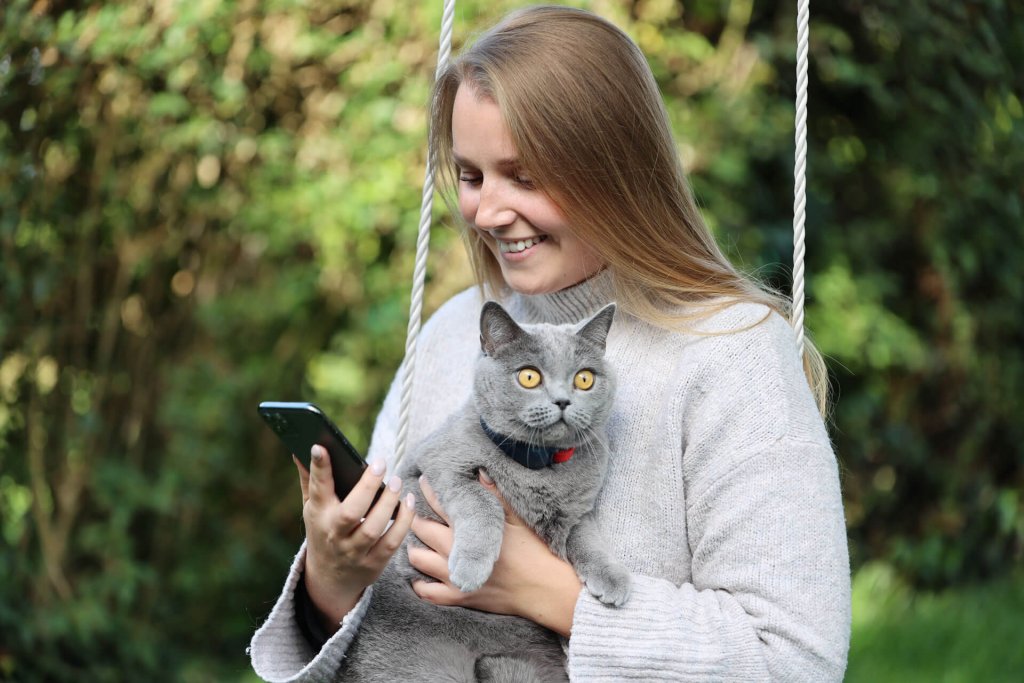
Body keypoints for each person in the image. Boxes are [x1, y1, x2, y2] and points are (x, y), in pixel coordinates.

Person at [249, 5, 851, 681]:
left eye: (524, 176)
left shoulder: (732, 353)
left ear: (614, 169)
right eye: (471, 176)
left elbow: (794, 657)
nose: (487, 211)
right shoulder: (457, 330)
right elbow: (390, 622)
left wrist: (551, 592)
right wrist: (332, 581)